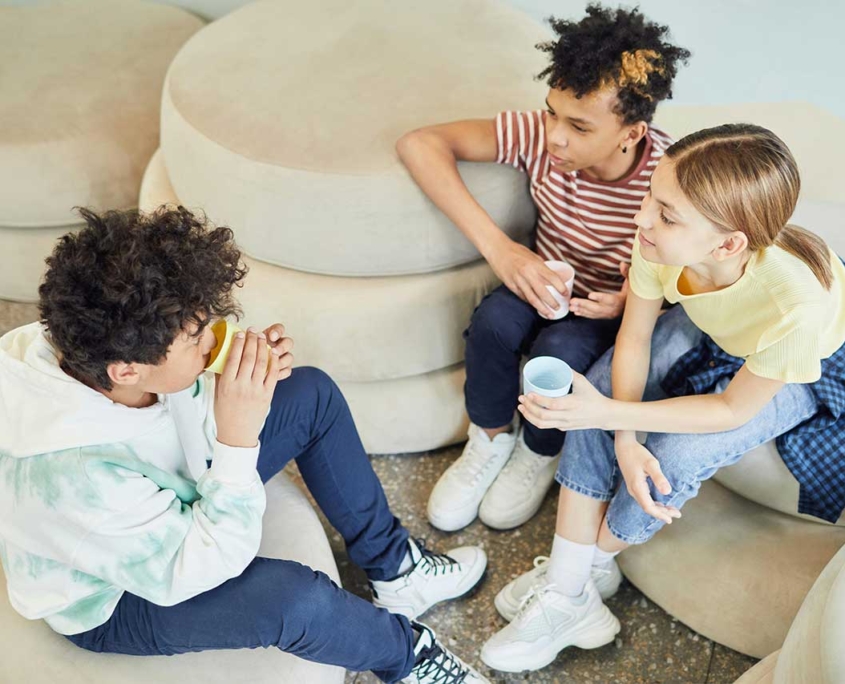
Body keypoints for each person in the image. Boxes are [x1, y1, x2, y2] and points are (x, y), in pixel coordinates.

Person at [0, 206, 490, 684]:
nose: (216, 340)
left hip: (170, 493)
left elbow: (172, 410)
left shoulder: (94, 343)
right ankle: (408, 658)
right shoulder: (72, 478)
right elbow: (202, 564)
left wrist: (240, 379)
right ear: (127, 371)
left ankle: (396, 568)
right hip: (116, 596)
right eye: (198, 339)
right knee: (296, 601)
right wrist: (238, 435)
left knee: (310, 394)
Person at [480, 123, 845, 673]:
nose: (641, 217)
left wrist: (607, 416)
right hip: (715, 327)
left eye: (666, 213)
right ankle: (568, 588)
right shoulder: (659, 239)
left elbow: (731, 410)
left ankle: (576, 578)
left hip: (806, 369)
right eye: (652, 195)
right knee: (597, 388)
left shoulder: (796, 306)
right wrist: (622, 436)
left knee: (675, 457)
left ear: (727, 244)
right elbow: (633, 338)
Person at [397, 4, 689, 533]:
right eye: (552, 111)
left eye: (578, 126)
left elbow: (686, 264)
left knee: (562, 354)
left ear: (630, 132)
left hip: (610, 304)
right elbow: (419, 144)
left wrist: (633, 299)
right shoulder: (537, 135)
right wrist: (501, 249)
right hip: (541, 276)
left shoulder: (666, 176)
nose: (555, 136)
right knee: (490, 324)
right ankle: (487, 438)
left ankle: (538, 451)